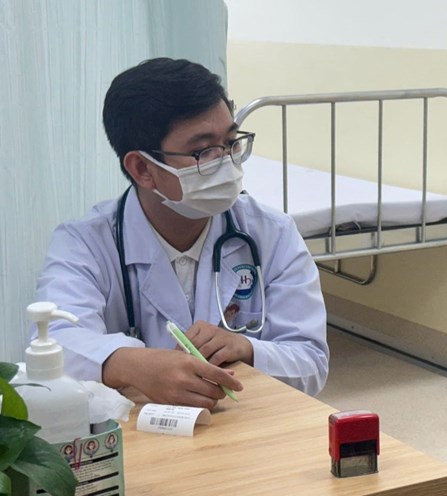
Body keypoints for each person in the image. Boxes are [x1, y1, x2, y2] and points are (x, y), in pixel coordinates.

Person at [34, 58, 329, 409]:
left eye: (232, 143)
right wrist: (129, 364)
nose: (226, 162)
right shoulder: (85, 243)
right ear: (143, 168)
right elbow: (53, 343)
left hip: (245, 428)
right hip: (136, 440)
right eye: (202, 151)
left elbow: (311, 362)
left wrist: (249, 349)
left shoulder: (270, 233)